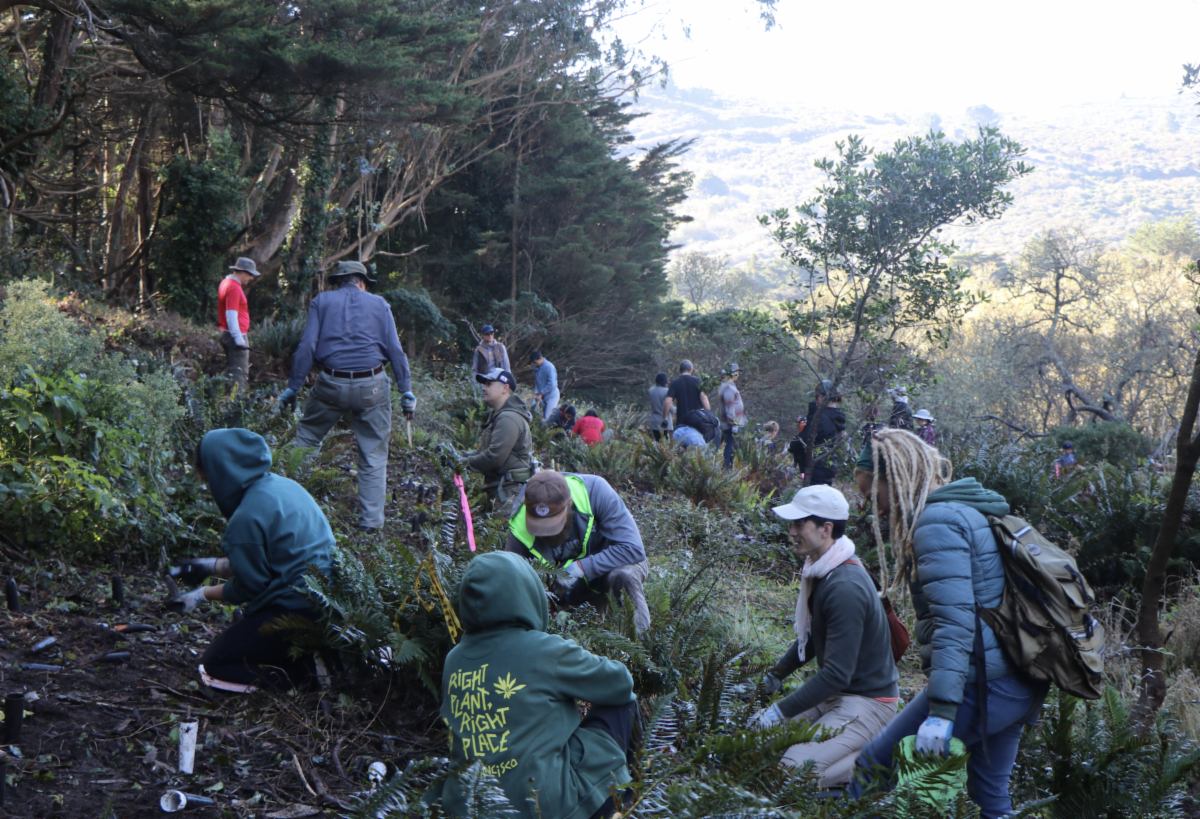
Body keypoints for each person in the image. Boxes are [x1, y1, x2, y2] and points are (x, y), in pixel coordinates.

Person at [849, 429, 1049, 819]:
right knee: (989, 796)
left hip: (986, 685)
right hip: (1019, 678)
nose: (871, 506)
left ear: (899, 478)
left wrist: (941, 712)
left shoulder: (937, 523)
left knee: (875, 764)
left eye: (872, 492)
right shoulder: (965, 509)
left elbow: (955, 624)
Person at [426, 552, 636, 819]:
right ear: (527, 593)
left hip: (469, 807)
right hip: (545, 806)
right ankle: (621, 803)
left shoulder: (454, 660)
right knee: (622, 704)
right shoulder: (544, 649)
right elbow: (620, 683)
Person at [750, 485, 899, 789]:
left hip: (868, 702)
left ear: (825, 529)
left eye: (798, 524)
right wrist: (776, 675)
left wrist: (778, 711)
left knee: (792, 773)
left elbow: (836, 674)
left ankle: (878, 760)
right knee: (755, 747)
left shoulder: (844, 586)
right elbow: (815, 638)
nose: (791, 531)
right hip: (838, 694)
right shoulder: (823, 570)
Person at [166, 429, 334, 690]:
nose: (209, 488)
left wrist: (201, 595)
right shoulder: (284, 486)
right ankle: (321, 656)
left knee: (216, 663)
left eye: (207, 480)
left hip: (297, 611)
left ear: (221, 474)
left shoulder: (245, 517)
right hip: (329, 603)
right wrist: (208, 566)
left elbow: (251, 586)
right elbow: (271, 559)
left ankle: (310, 675)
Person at [279, 261, 416, 532]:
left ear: (339, 282)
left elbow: (307, 345)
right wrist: (406, 390)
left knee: (307, 438)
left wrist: (293, 386)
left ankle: (291, 511)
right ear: (362, 282)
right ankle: (371, 525)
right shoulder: (380, 304)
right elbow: (396, 351)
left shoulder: (322, 301)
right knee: (373, 454)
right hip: (373, 386)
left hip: (331, 383)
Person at [506, 471, 651, 634]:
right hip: (569, 588)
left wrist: (580, 568)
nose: (547, 533)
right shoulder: (518, 527)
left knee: (624, 575)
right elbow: (512, 586)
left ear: (570, 503)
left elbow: (633, 549)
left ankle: (642, 646)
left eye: (553, 524)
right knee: (577, 639)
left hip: (611, 566)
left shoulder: (595, 491)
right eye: (539, 526)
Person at [464, 368, 534, 510]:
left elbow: (494, 457)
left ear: (505, 388)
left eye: (489, 384)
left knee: (506, 532)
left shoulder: (508, 418)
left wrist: (462, 463)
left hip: (509, 493)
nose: (483, 388)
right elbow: (485, 451)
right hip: (503, 489)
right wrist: (459, 457)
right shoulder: (499, 415)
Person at [218, 257, 260, 393]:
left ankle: (216, 400)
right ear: (241, 272)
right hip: (234, 335)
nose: (251, 278)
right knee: (240, 376)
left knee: (230, 372)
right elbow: (231, 315)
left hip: (226, 333)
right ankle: (235, 410)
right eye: (250, 274)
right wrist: (238, 338)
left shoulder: (226, 282)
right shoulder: (233, 288)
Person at [662, 360, 711, 448]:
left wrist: (664, 418)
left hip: (681, 425)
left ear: (679, 370)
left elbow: (667, 401)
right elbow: (703, 397)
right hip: (697, 424)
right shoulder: (698, 381)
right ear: (691, 370)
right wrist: (709, 415)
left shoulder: (675, 383)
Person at [806, 382, 846, 486]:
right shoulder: (838, 416)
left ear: (824, 397)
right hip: (830, 465)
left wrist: (812, 416)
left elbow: (807, 437)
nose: (816, 400)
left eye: (817, 397)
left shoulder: (821, 418)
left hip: (817, 467)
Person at [717, 363, 746, 468]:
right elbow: (729, 407)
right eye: (736, 372)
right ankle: (726, 468)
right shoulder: (728, 387)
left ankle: (729, 468)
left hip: (733, 424)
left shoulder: (729, 386)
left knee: (733, 447)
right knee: (731, 446)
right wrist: (734, 424)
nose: (737, 375)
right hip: (732, 425)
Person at [530, 350, 559, 421]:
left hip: (552, 395)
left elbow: (551, 384)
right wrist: (536, 393)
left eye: (536, 362)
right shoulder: (536, 368)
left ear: (541, 358)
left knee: (547, 417)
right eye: (533, 363)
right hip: (543, 396)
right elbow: (537, 382)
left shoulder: (549, 367)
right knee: (540, 416)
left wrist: (541, 393)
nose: (535, 364)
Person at [648, 372, 672, 442]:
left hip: (654, 422)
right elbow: (670, 408)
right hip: (665, 423)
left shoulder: (651, 390)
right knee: (665, 446)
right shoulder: (667, 391)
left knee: (656, 443)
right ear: (665, 381)